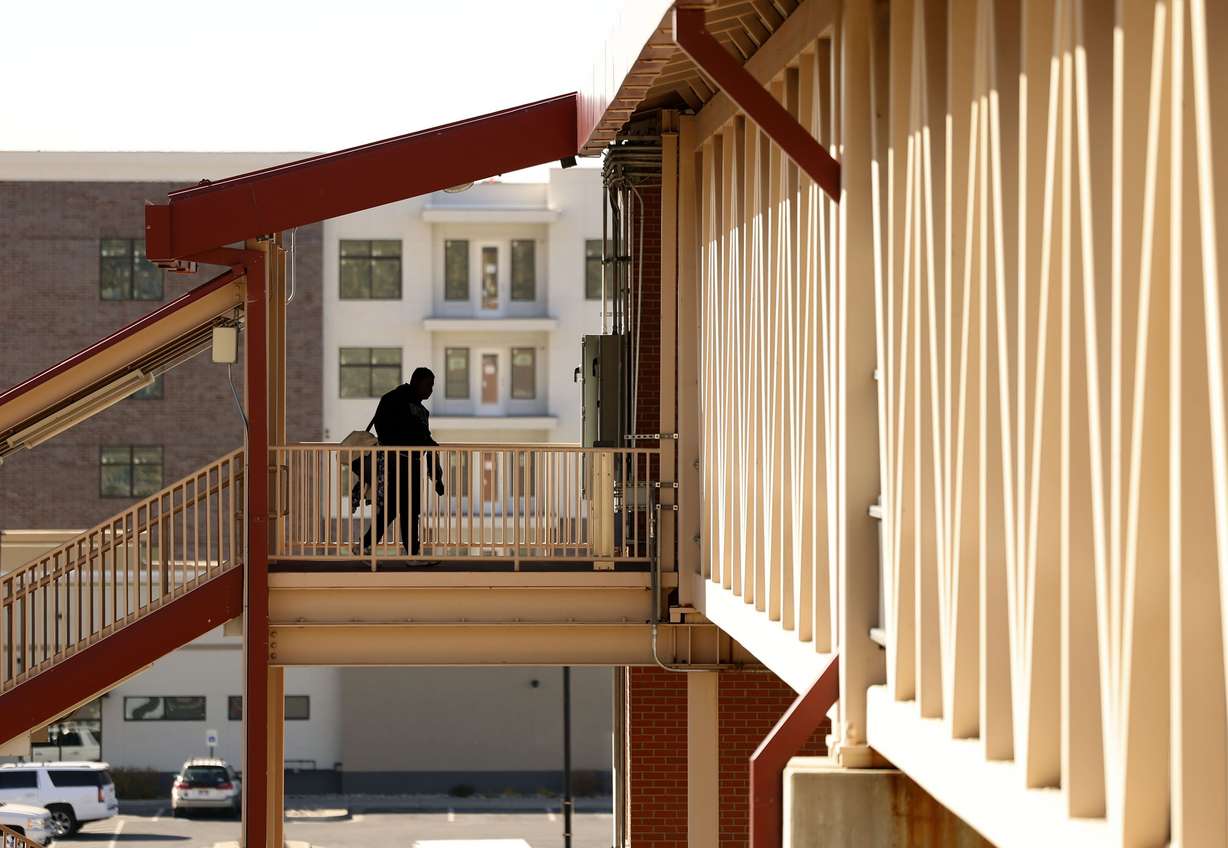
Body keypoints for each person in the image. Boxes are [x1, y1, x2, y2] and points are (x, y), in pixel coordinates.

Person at [360, 367, 445, 558]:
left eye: (432, 386)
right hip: (395, 463)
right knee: (400, 509)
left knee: (402, 509)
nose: (431, 390)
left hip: (412, 465)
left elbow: (428, 443)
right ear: (416, 381)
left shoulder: (421, 410)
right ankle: (410, 554)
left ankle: (372, 546)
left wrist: (437, 476)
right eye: (428, 385)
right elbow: (387, 431)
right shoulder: (393, 399)